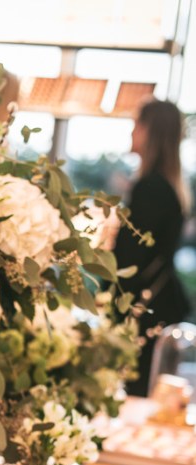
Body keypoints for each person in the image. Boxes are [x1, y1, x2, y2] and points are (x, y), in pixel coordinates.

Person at [113, 98, 191, 397]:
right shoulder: (167, 187)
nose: (131, 133)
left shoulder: (151, 188)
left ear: (150, 131)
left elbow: (130, 259)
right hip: (159, 304)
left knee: (135, 394)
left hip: (144, 310)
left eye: (136, 125)